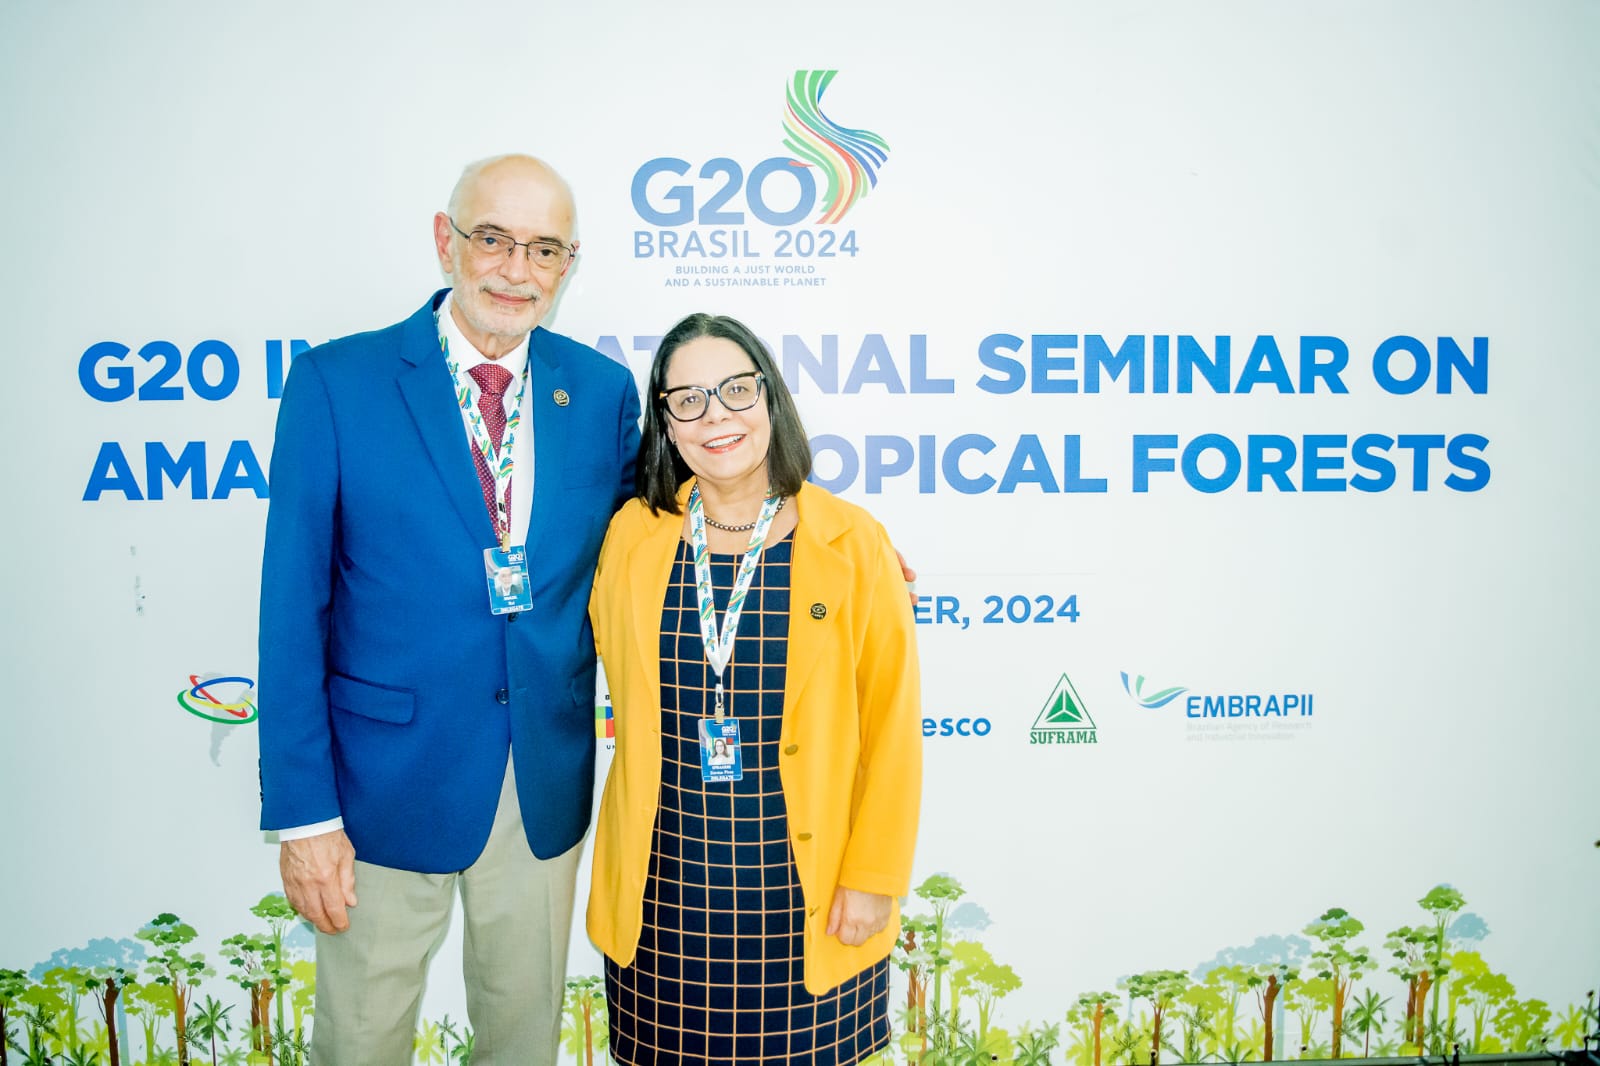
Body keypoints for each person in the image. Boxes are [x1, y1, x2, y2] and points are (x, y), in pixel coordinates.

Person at [257, 154, 641, 1066]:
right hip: (380, 786)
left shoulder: (600, 392)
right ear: (445, 241)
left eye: (544, 249)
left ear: (569, 264)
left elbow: (656, 536)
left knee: (522, 1043)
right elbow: (292, 609)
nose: (517, 269)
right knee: (360, 1042)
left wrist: (825, 541)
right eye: (493, 239)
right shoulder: (336, 383)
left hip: (539, 786)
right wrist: (305, 820)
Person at [586, 313, 922, 1065]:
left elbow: (893, 726)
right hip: (665, 894)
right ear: (665, 424)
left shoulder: (852, 543)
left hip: (809, 898)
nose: (717, 416)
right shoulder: (633, 536)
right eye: (688, 400)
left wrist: (874, 876)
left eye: (736, 390)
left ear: (770, 397)